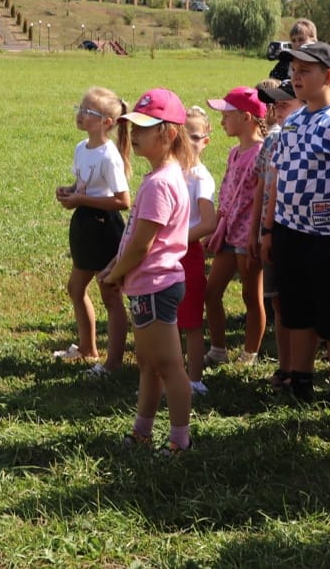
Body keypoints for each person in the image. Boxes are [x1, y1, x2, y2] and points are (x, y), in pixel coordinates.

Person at [260, 42, 330, 406]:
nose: (295, 77)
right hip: (291, 232)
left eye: (305, 71)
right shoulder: (293, 120)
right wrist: (271, 229)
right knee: (298, 311)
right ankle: (301, 381)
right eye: (294, 70)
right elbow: (277, 177)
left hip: (327, 237)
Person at [100, 88, 195, 453]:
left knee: (169, 367)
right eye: (132, 127)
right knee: (148, 365)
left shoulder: (159, 183)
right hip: (146, 286)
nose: (134, 135)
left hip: (155, 286)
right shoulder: (163, 177)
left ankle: (179, 442)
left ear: (168, 133)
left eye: (143, 128)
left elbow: (142, 245)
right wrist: (117, 267)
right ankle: (142, 432)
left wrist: (112, 275)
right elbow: (135, 238)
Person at [54, 88, 133, 375]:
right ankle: (88, 349)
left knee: (109, 294)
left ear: (107, 123)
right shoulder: (81, 148)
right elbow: (83, 185)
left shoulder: (109, 156)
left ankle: (113, 363)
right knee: (76, 288)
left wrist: (80, 199)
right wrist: (70, 191)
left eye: (89, 111)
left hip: (104, 226)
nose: (81, 114)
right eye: (81, 107)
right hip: (85, 223)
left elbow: (123, 201)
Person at [204, 87, 267, 366]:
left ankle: (249, 354)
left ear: (246, 117)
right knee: (211, 291)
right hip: (229, 233)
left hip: (248, 236)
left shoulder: (261, 153)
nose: (222, 122)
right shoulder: (233, 152)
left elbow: (262, 200)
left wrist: (256, 234)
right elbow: (227, 192)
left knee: (251, 295)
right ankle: (218, 350)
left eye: (227, 115)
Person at [250, 79, 302, 390]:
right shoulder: (272, 139)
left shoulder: (303, 136)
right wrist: (256, 229)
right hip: (270, 230)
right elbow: (261, 187)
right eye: (275, 104)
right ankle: (285, 366)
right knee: (279, 301)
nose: (277, 110)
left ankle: (300, 367)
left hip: (295, 228)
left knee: (297, 302)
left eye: (285, 103)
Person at [177, 106, 217, 395]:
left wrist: (176, 240)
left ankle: (194, 379)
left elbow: (208, 222)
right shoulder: (171, 171)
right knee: (168, 319)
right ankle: (169, 370)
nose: (187, 143)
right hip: (167, 255)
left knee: (191, 320)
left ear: (206, 140)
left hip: (187, 255)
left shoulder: (200, 177)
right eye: (182, 136)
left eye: (194, 136)